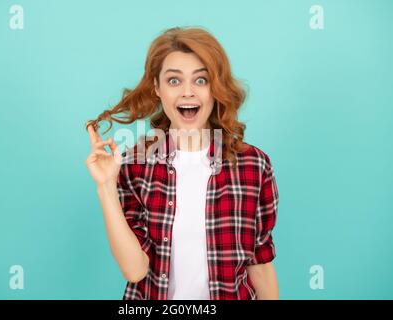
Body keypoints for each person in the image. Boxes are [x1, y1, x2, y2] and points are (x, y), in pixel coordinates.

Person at [84, 26, 280, 300]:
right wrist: (105, 186)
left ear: (216, 88)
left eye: (201, 80)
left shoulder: (254, 166)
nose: (188, 92)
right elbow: (134, 270)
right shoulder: (134, 165)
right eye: (174, 81)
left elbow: (260, 267)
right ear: (157, 88)